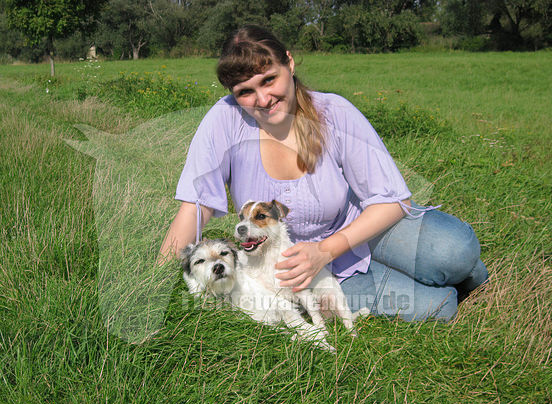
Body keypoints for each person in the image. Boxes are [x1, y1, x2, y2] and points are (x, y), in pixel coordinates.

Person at [159, 25, 488, 321]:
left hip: (359, 229)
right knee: (438, 306)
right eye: (245, 91)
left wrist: (326, 250)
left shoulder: (334, 112)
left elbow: (393, 201)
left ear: (289, 62)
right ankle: (429, 280)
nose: (262, 99)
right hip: (297, 269)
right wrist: (156, 284)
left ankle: (462, 272)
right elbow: (195, 206)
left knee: (456, 252)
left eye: (269, 80)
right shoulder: (224, 120)